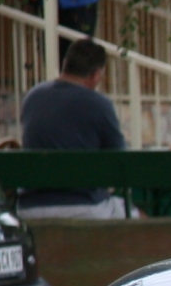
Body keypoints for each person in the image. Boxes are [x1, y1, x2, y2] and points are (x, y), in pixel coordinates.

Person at [17, 37, 128, 218]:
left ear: (65, 64)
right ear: (96, 74)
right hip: (84, 205)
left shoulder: (33, 97)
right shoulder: (99, 104)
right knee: (140, 218)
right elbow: (120, 162)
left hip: (30, 207)